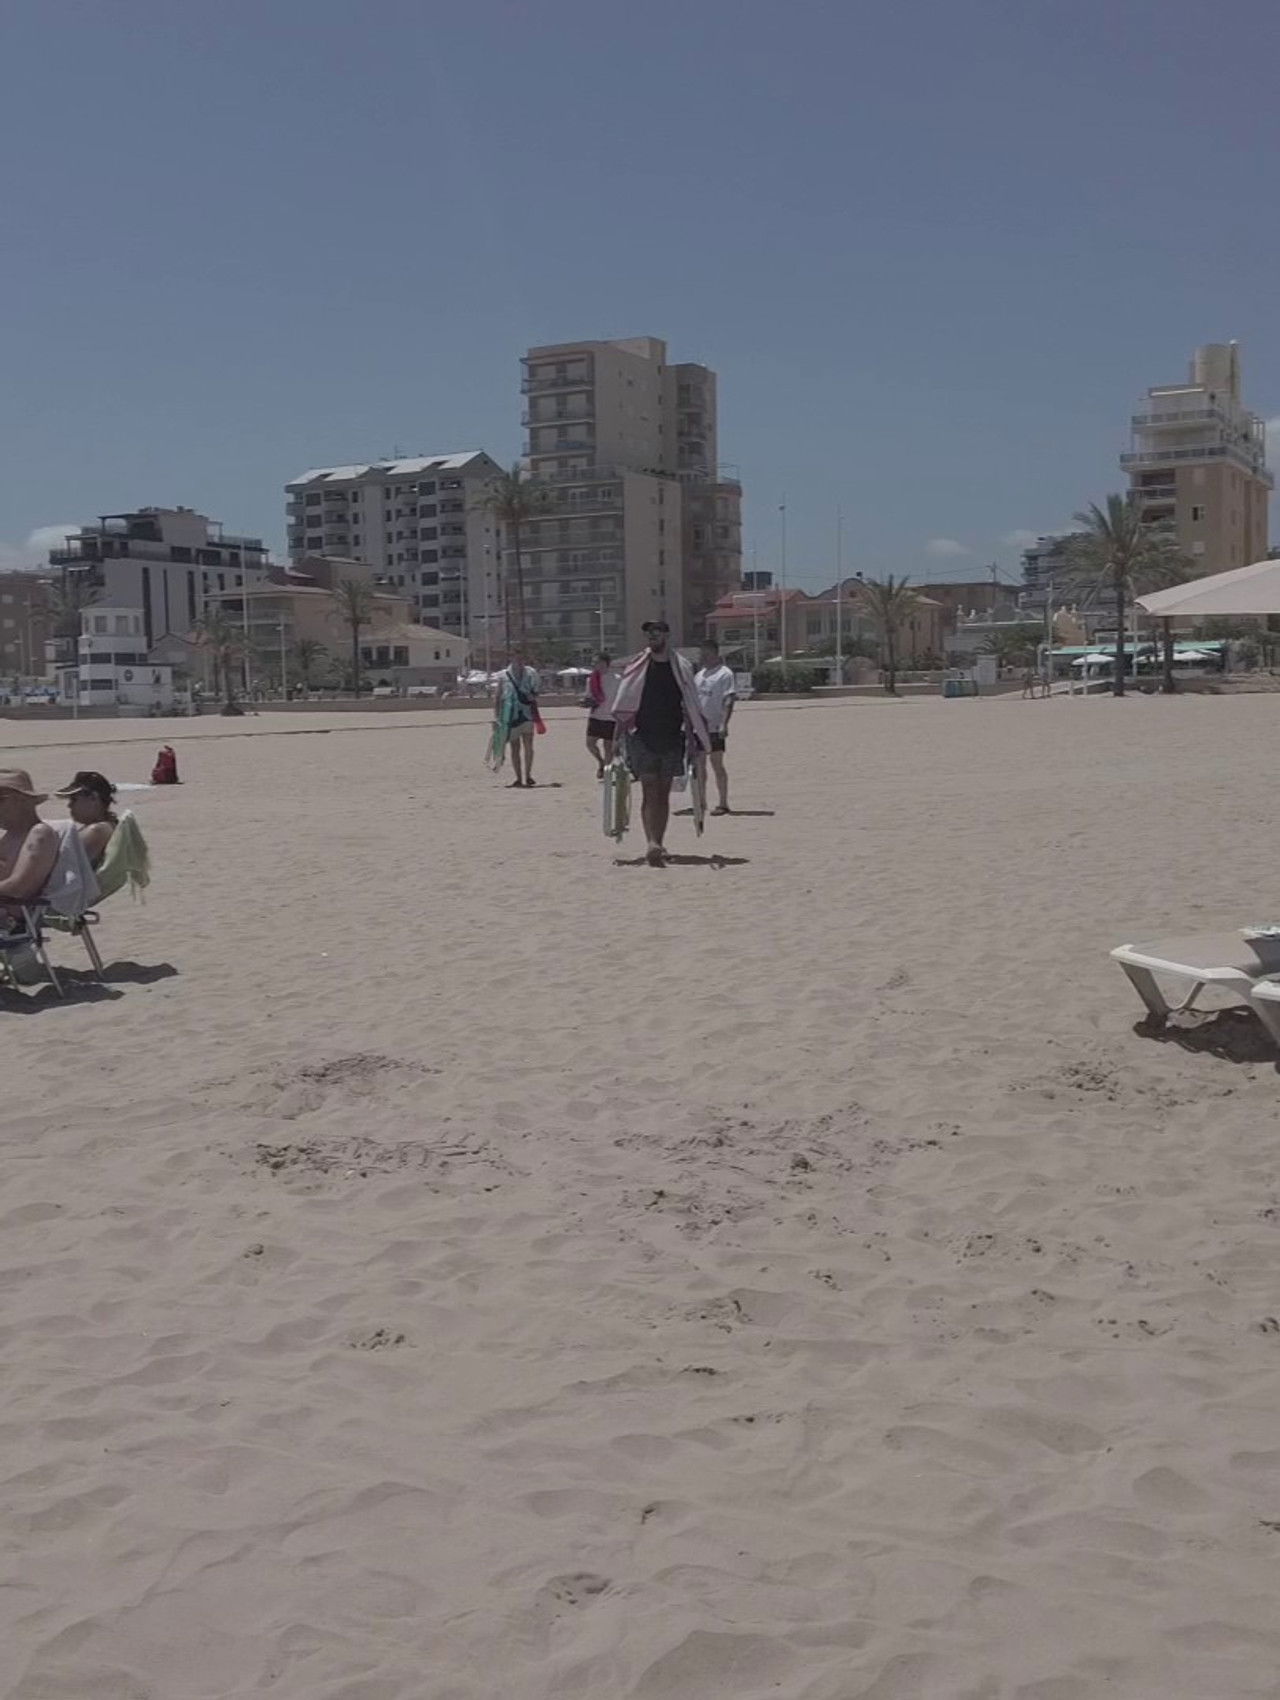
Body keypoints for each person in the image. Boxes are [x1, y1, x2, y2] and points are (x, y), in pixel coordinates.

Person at [611, 621, 710, 866]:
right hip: (642, 736)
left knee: (663, 794)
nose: (651, 636)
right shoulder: (637, 667)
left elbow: (691, 704)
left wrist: (696, 738)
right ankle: (651, 843)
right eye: (647, 633)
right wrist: (615, 738)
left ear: (666, 635)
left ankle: (659, 841)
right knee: (648, 790)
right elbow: (625, 702)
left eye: (656, 632)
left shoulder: (682, 668)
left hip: (671, 736)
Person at [0, 770, 58, 933]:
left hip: (10, 918)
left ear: (23, 800)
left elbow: (19, 887)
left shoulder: (39, 833)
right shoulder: (11, 835)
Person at [694, 638, 737, 815]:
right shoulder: (699, 675)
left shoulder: (724, 674)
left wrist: (723, 724)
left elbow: (729, 699)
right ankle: (701, 801)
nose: (703, 656)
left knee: (716, 764)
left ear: (715, 653)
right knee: (699, 765)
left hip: (714, 726)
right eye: (702, 653)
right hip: (699, 727)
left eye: (707, 653)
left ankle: (723, 802)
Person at [491, 648, 541, 787]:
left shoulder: (531, 673)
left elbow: (537, 691)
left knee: (528, 746)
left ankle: (528, 775)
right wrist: (496, 717)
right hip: (511, 716)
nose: (520, 662)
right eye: (517, 659)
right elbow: (497, 697)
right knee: (515, 748)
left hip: (527, 714)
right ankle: (518, 777)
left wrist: (533, 696)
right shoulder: (504, 675)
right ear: (511, 659)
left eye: (521, 659)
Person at [56, 770, 118, 868]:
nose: (69, 805)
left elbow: (65, 867)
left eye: (74, 799)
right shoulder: (109, 824)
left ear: (93, 798)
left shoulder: (97, 830)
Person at [584, 651, 616, 778]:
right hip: (596, 716)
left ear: (606, 663)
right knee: (590, 743)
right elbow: (588, 696)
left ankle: (607, 771)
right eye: (594, 662)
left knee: (608, 746)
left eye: (598, 662)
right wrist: (586, 702)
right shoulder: (591, 679)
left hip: (611, 717)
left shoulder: (616, 679)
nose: (595, 665)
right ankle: (600, 761)